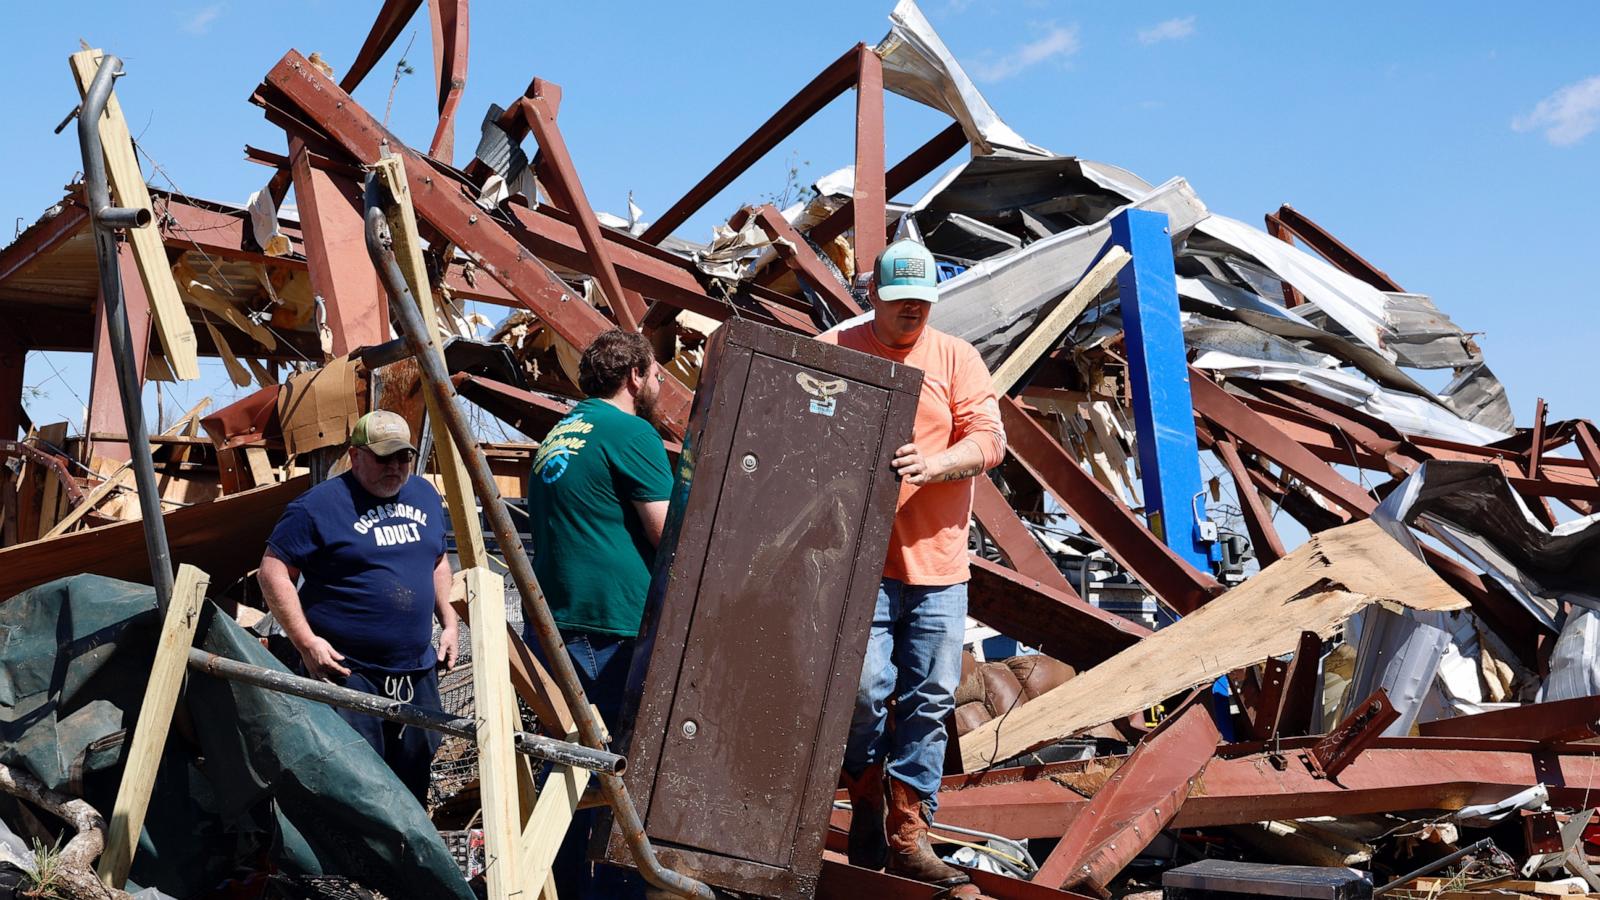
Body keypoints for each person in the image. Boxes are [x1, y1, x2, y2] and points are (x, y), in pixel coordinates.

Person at [820, 239, 1006, 899]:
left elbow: (989, 440)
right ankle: (866, 790)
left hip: (939, 564)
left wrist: (935, 465)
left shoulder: (956, 357)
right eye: (901, 305)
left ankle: (908, 828)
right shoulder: (839, 346)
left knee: (929, 698)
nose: (912, 316)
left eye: (922, 305)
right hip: (862, 562)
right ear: (874, 296)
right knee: (865, 689)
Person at [525, 328, 673, 898]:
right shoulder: (630, 431)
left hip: (558, 627)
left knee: (567, 771)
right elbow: (668, 537)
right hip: (612, 628)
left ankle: (559, 887)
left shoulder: (561, 432)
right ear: (634, 376)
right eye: (657, 374)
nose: (660, 385)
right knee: (620, 776)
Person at [258, 410, 459, 803]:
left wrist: (449, 622)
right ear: (355, 455)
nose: (395, 467)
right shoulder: (318, 506)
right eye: (383, 457)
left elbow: (437, 561)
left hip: (416, 672)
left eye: (403, 457)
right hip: (348, 672)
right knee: (355, 785)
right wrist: (305, 642)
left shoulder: (424, 495)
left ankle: (404, 862)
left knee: (414, 776)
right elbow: (272, 571)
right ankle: (349, 865)